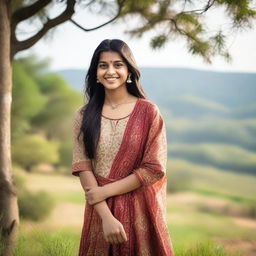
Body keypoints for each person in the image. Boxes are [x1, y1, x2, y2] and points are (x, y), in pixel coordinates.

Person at [71, 39, 175, 256]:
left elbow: (153, 168)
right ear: (96, 73)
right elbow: (83, 166)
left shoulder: (148, 112)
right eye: (103, 65)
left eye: (118, 64)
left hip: (140, 210)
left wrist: (102, 192)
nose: (110, 71)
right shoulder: (83, 115)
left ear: (129, 70)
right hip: (100, 212)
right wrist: (106, 216)